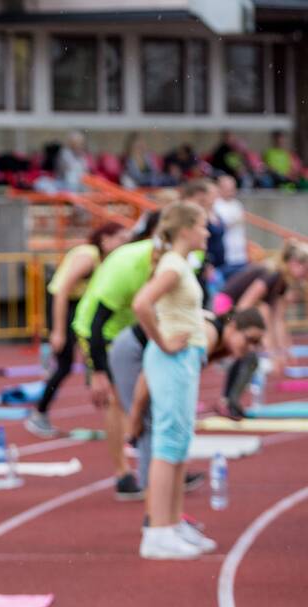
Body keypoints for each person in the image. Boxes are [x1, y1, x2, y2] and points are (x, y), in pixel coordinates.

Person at [111, 308, 263, 512]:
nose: (251, 348)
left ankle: (167, 514)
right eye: (249, 339)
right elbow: (149, 372)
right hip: (131, 352)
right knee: (149, 426)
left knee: (164, 425)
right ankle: (153, 517)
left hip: (145, 354)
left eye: (256, 343)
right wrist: (135, 415)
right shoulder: (207, 335)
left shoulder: (217, 340)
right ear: (233, 327)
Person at [130, 201, 210, 560]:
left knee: (177, 443)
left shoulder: (179, 264)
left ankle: (172, 524)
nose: (207, 233)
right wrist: (162, 340)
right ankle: (158, 532)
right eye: (203, 226)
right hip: (172, 358)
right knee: (168, 443)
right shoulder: (174, 265)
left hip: (184, 357)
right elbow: (142, 303)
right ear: (185, 230)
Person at [71, 238, 165, 500]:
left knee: (150, 395)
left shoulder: (174, 263)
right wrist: (98, 371)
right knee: (114, 402)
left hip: (133, 332)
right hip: (100, 333)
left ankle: (160, 464)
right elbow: (95, 324)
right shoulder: (126, 267)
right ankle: (122, 473)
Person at [26, 222, 131, 438]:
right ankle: (39, 413)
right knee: (63, 366)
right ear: (105, 239)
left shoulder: (106, 260)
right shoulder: (88, 256)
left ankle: (115, 410)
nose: (125, 244)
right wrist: (58, 331)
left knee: (92, 353)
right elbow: (62, 291)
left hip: (78, 306)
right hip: (61, 304)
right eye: (121, 239)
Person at [213, 242, 308, 418]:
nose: (306, 276)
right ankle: (226, 401)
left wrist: (284, 351)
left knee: (250, 357)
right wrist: (235, 330)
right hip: (226, 308)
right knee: (247, 353)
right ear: (295, 263)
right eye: (306, 269)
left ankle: (229, 401)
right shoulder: (271, 274)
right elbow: (245, 303)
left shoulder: (282, 283)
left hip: (236, 309)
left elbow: (278, 320)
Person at [213, 175, 249, 281]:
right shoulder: (216, 205)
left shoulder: (237, 204)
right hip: (226, 256)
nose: (231, 191)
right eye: (227, 188)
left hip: (240, 255)